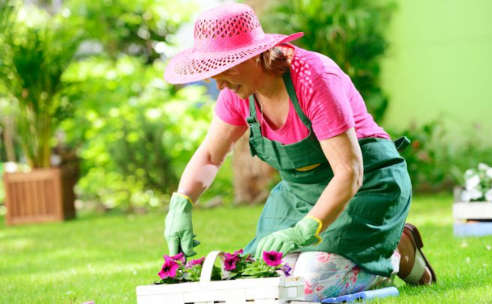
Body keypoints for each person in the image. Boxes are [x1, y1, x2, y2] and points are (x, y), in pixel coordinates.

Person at [163, 3, 436, 301]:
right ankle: (366, 252)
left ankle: (394, 253)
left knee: (305, 289)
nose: (218, 82)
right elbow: (210, 156)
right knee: (267, 282)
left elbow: (349, 172)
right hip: (301, 193)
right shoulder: (237, 92)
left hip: (366, 185)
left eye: (224, 67)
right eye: (211, 70)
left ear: (254, 55)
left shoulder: (313, 78)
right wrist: (182, 203)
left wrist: (305, 229)